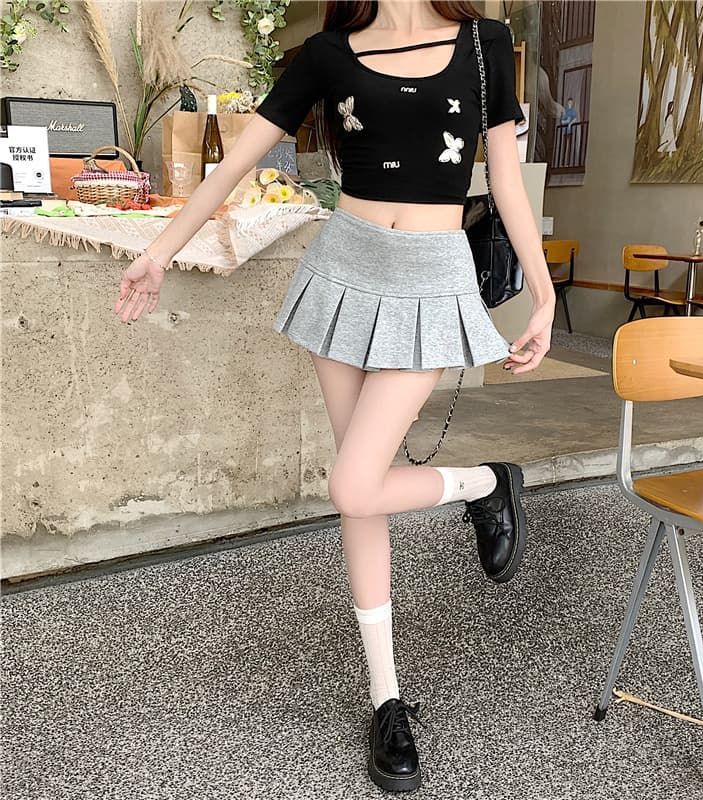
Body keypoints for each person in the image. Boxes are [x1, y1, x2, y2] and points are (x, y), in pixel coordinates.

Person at [113, 0, 555, 791]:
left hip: (431, 277)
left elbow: (506, 182)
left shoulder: (484, 44)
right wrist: (159, 251)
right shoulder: (328, 53)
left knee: (353, 483)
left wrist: (545, 295)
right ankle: (387, 699)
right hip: (344, 272)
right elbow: (235, 163)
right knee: (362, 496)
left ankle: (485, 484)